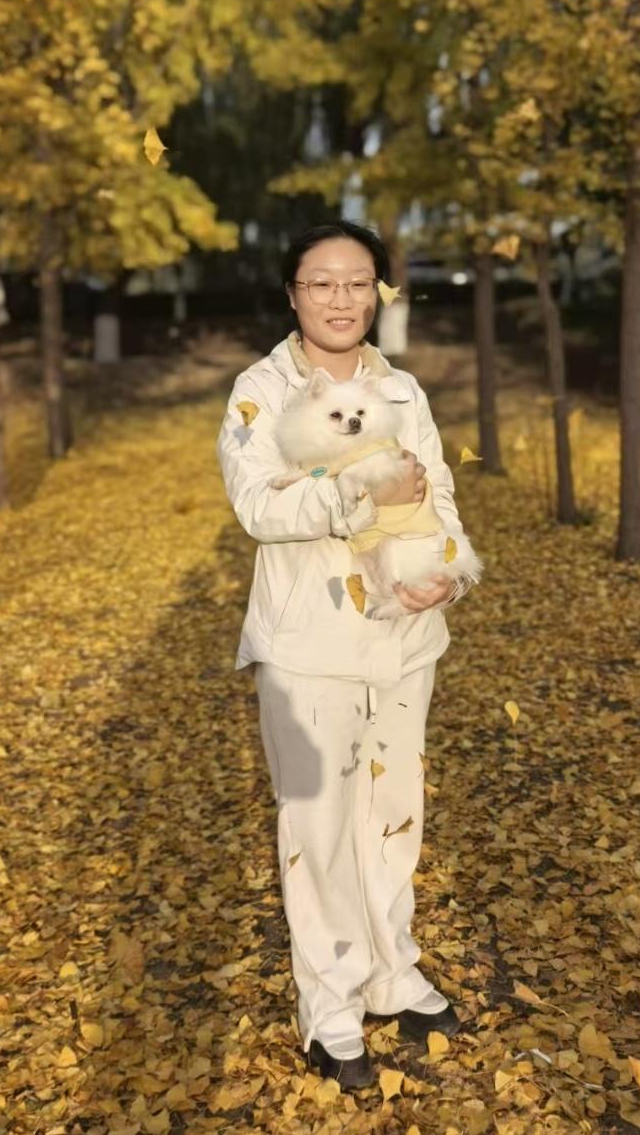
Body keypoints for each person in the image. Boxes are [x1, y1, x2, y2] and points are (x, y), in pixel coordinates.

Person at [215, 220, 478, 1091]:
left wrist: (444, 572)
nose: (340, 298)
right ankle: (330, 1010)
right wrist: (358, 491)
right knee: (318, 827)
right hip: (309, 648)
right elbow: (259, 505)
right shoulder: (260, 390)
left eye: (358, 281)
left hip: (405, 637)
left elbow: (438, 488)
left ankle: (391, 972)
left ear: (378, 292)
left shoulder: (401, 388)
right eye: (321, 282)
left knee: (393, 813)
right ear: (293, 293)